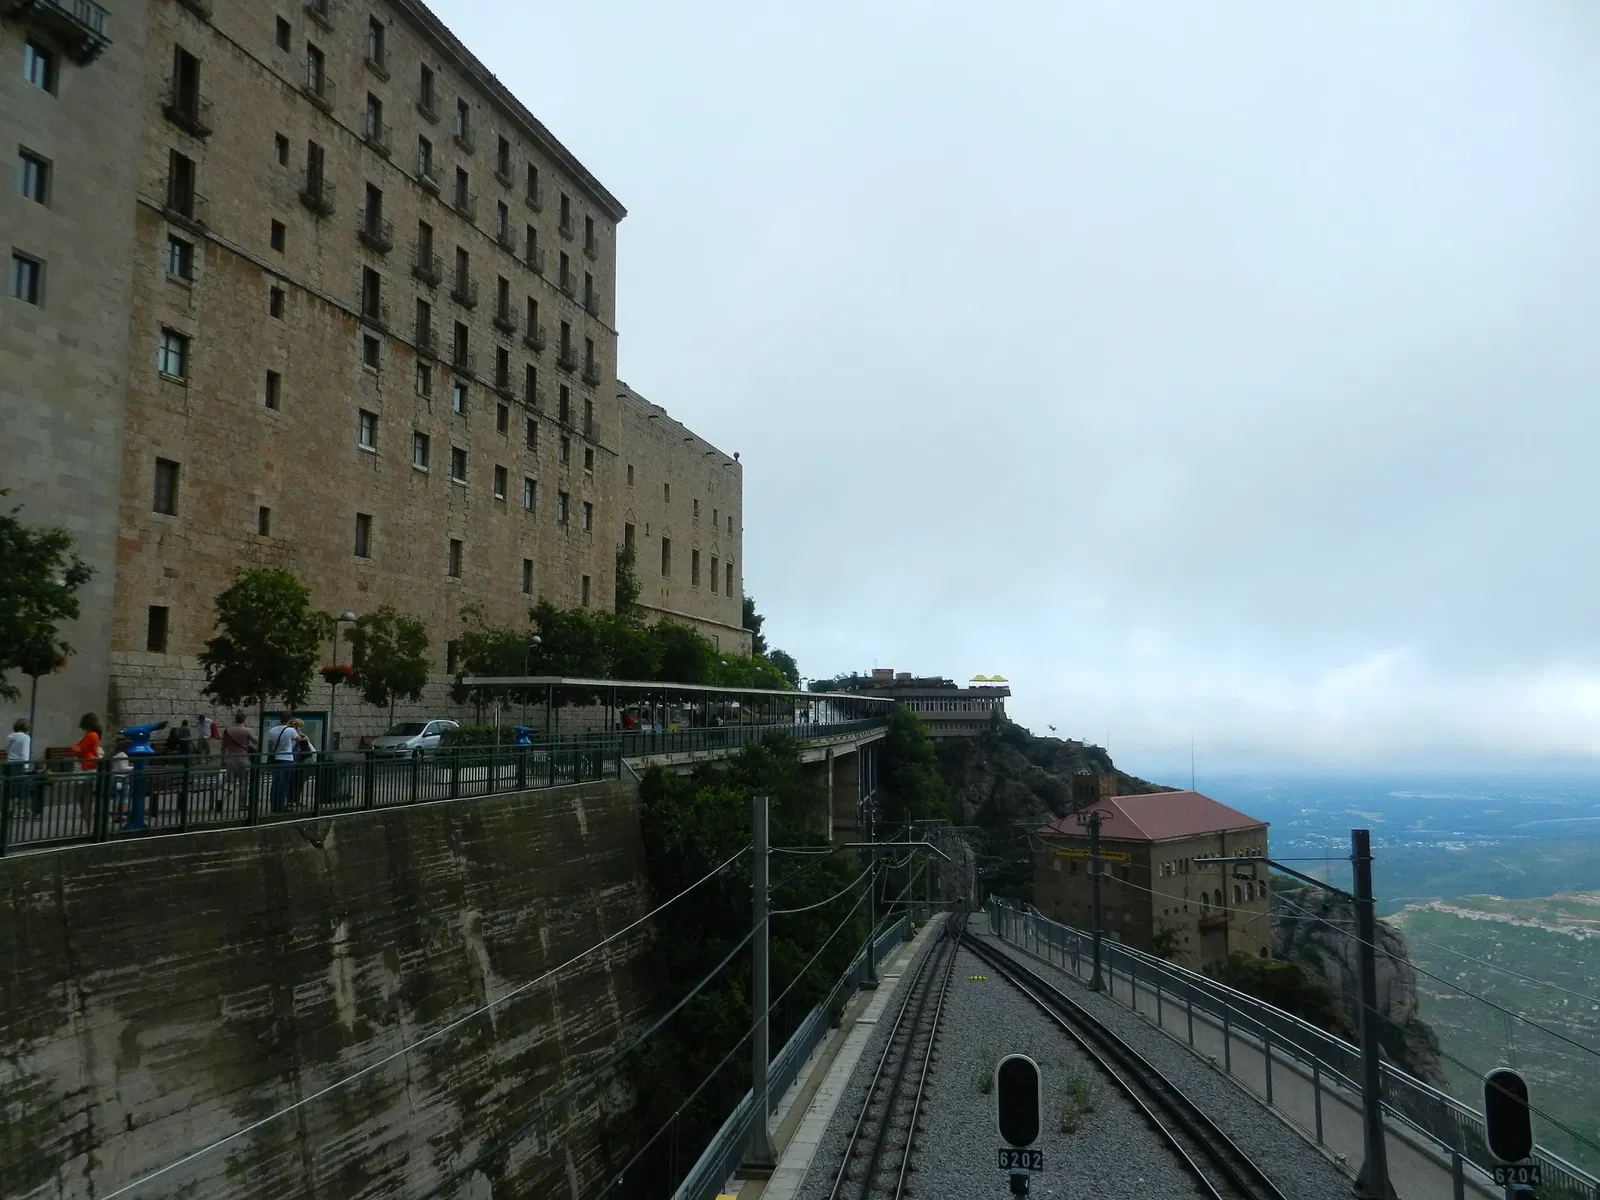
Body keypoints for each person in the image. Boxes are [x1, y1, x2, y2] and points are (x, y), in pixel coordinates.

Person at [266, 717, 299, 813]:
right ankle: (280, 806)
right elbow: (300, 739)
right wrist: (297, 729)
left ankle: (273, 805)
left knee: (276, 782)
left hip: (276, 759)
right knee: (284, 783)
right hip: (287, 759)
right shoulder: (290, 730)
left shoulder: (273, 730)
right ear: (289, 720)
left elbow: (270, 746)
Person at [5, 718, 32, 818]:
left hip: (9, 764)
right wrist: (26, 766)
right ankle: (20, 810)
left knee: (11, 787)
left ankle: (11, 808)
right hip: (19, 765)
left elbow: (7, 749)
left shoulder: (10, 736)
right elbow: (25, 753)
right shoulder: (26, 738)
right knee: (20, 788)